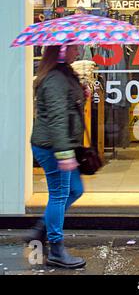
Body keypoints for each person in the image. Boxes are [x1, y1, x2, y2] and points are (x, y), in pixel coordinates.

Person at [27, 44, 89, 269]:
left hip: (61, 145)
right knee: (60, 194)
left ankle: (41, 228)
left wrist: (81, 95)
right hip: (53, 147)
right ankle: (56, 249)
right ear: (60, 50)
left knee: (75, 190)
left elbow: (66, 109)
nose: (78, 51)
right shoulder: (54, 78)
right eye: (74, 47)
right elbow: (56, 118)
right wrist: (64, 154)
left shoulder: (64, 73)